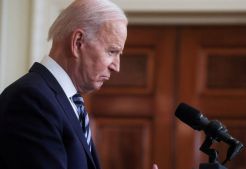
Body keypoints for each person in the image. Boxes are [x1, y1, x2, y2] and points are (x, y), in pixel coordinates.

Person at [0, 0, 158, 169]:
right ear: (77, 42)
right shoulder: (31, 100)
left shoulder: (65, 101)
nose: (116, 67)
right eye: (112, 51)